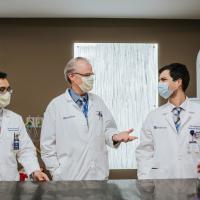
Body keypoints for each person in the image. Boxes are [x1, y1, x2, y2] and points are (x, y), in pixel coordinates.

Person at [40, 57, 137, 180]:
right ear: (72, 76)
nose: (91, 78)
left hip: (98, 175)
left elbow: (107, 129)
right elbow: (47, 145)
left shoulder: (97, 101)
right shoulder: (56, 106)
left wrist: (115, 136)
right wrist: (57, 172)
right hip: (68, 178)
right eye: (87, 75)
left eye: (91, 74)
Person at [136, 63, 200, 179]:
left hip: (193, 178)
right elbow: (144, 152)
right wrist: (144, 179)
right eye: (159, 80)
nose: (159, 84)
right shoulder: (154, 116)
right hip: (162, 182)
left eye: (163, 80)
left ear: (178, 82)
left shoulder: (198, 112)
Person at [0, 71, 49, 181]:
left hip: (9, 184)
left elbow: (24, 149)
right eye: (2, 90)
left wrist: (34, 170)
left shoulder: (14, 119)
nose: (7, 93)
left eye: (8, 89)